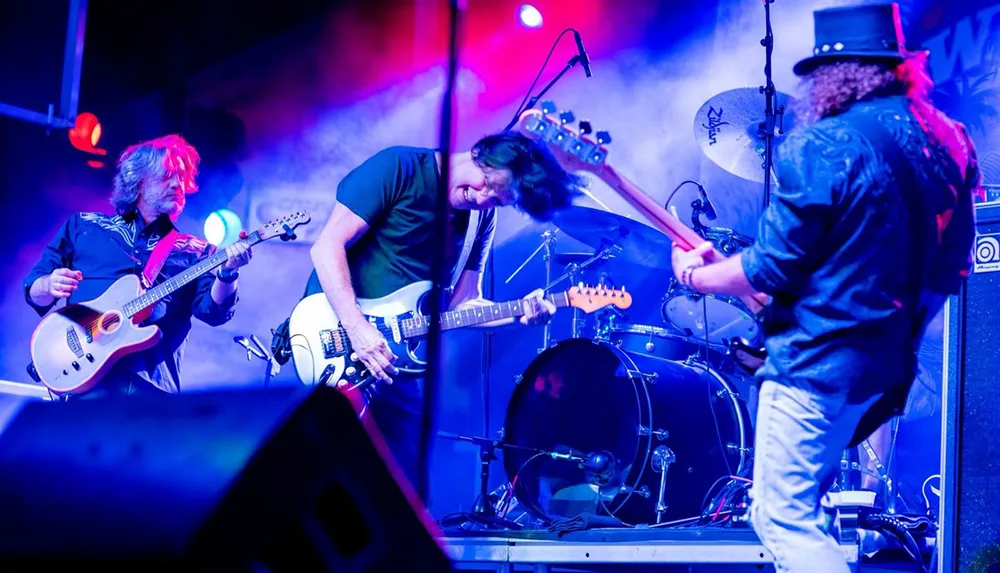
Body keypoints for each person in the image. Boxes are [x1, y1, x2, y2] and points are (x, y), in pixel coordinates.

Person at [670, 4, 976, 572]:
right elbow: (952, 267)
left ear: (836, 75)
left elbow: (770, 267)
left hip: (817, 364)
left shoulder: (826, 143)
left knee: (780, 517)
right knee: (807, 513)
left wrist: (699, 275)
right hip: (887, 367)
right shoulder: (951, 141)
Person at [305, 132, 584, 501]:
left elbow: (463, 305)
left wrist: (519, 312)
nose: (483, 197)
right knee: (317, 470)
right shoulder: (398, 167)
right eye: (488, 184)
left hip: (392, 361)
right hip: (332, 334)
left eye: (498, 201)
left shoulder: (479, 220)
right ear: (479, 154)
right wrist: (357, 329)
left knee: (407, 490)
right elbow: (326, 247)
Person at [25, 134, 253, 398]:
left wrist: (227, 274)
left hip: (152, 392)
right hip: (85, 384)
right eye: (168, 174)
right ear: (139, 180)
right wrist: (49, 283)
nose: (178, 184)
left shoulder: (196, 251)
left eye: (182, 177)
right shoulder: (84, 227)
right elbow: (34, 292)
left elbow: (213, 313)